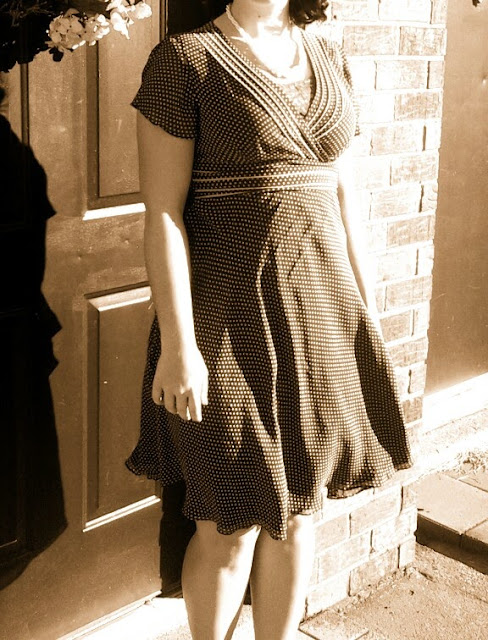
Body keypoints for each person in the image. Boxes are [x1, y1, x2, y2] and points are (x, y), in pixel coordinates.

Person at [125, 1, 414, 638]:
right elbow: (164, 213)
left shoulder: (328, 54)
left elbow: (345, 197)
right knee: (228, 523)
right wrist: (178, 343)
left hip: (323, 314)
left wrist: (366, 319)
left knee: (300, 512)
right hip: (223, 320)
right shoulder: (185, 60)